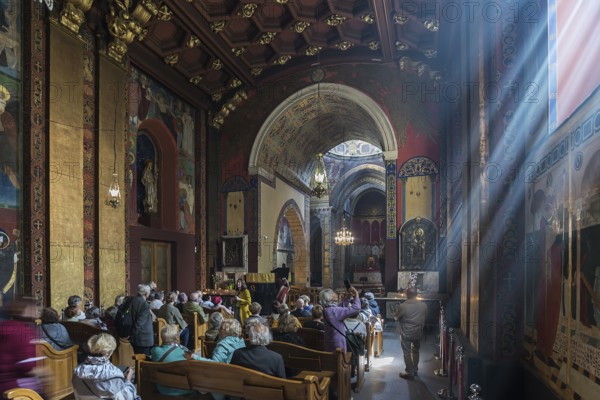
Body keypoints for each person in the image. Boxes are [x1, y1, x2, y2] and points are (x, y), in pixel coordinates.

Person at [150, 324, 212, 397]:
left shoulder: (154, 351)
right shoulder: (183, 353)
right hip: (183, 391)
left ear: (161, 337)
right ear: (176, 338)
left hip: (163, 390)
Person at [72, 333, 139, 399]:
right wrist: (128, 380)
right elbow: (127, 397)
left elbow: (77, 397)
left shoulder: (77, 373)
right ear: (109, 353)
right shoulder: (113, 375)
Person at [0, 297, 42, 394]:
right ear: (25, 310)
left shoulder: (4, 325)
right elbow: (27, 366)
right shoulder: (23, 330)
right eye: (34, 308)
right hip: (16, 386)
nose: (37, 311)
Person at [395, 287, 428, 379]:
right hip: (418, 331)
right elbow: (425, 316)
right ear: (417, 294)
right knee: (416, 351)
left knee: (407, 352)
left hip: (406, 331)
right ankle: (415, 370)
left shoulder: (403, 306)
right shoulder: (423, 305)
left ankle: (410, 372)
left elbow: (397, 317)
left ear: (407, 294)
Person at [319, 287, 361, 353]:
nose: (335, 294)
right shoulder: (334, 311)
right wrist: (356, 294)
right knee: (339, 362)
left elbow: (340, 306)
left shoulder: (327, 309)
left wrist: (349, 296)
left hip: (330, 340)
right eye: (333, 293)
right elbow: (356, 308)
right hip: (337, 343)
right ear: (330, 297)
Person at [129, 284, 154, 355]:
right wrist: (132, 336)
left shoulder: (133, 300)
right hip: (143, 339)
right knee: (144, 362)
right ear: (146, 293)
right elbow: (139, 323)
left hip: (137, 337)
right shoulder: (144, 304)